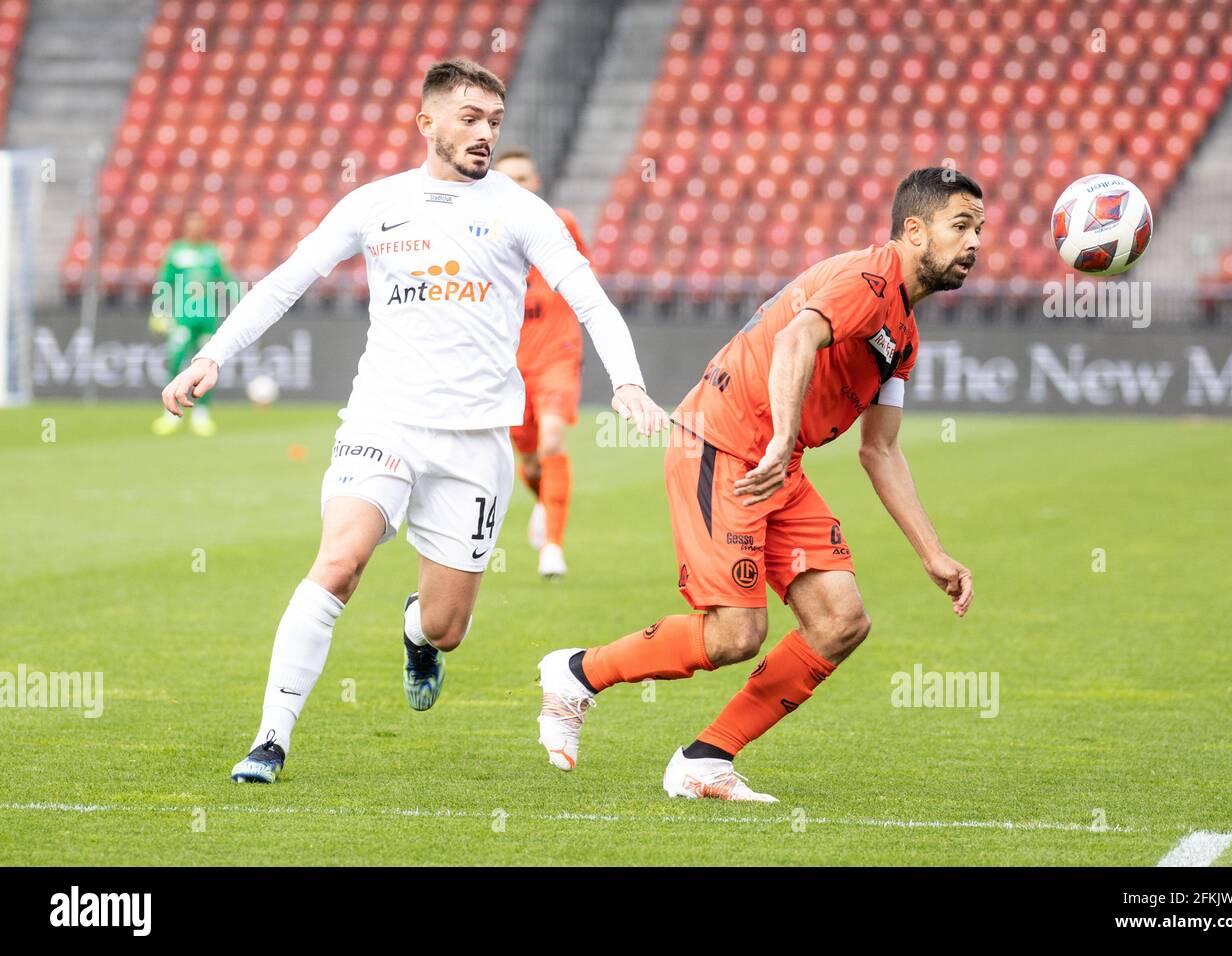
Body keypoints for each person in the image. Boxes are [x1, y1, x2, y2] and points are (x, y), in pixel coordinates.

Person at [159, 58, 667, 784]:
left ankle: (414, 633)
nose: (485, 133)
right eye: (469, 118)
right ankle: (270, 738)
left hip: (474, 442)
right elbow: (284, 282)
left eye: (493, 121)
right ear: (425, 122)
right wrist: (212, 356)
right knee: (339, 562)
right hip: (383, 420)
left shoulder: (523, 211)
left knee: (446, 627)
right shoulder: (376, 204)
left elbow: (591, 300)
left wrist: (627, 381)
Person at [537, 167, 980, 801]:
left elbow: (880, 449)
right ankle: (578, 673)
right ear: (914, 230)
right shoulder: (869, 278)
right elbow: (799, 335)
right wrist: (779, 437)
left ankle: (705, 760)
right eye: (960, 226)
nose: (973, 244)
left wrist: (932, 553)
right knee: (735, 636)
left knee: (840, 621)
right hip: (722, 445)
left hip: (776, 462)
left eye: (979, 230)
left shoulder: (903, 337)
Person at [494, 148, 587, 579]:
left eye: (523, 178)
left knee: (552, 439)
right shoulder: (484, 236)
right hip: (510, 366)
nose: (514, 186)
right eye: (505, 179)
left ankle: (554, 547)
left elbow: (584, 276)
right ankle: (544, 503)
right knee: (529, 462)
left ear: (536, 184)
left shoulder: (560, 224)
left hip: (557, 356)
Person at [150, 212, 238, 437]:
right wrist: (159, 310)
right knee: (175, 360)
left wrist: (240, 301)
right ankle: (170, 413)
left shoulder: (211, 252)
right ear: (186, 227)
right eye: (191, 225)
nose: (195, 229)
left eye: (199, 225)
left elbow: (226, 281)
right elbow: (164, 282)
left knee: (207, 367)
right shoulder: (176, 251)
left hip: (207, 319)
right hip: (182, 317)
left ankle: (202, 414)